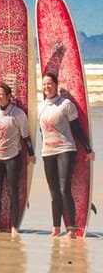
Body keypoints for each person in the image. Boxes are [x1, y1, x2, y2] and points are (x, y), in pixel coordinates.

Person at [38, 72, 95, 238]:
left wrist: (87, 148)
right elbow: (42, 133)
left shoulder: (66, 104)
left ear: (56, 85)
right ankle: (56, 228)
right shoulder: (41, 107)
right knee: (54, 192)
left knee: (64, 189)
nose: (46, 86)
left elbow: (76, 128)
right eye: (44, 84)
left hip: (65, 149)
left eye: (49, 83)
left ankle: (71, 229)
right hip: (47, 151)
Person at [0, 81, 35, 236]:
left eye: (1, 94)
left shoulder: (18, 114)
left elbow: (26, 137)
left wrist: (31, 154)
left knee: (13, 192)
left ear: (9, 96)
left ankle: (15, 226)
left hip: (13, 157)